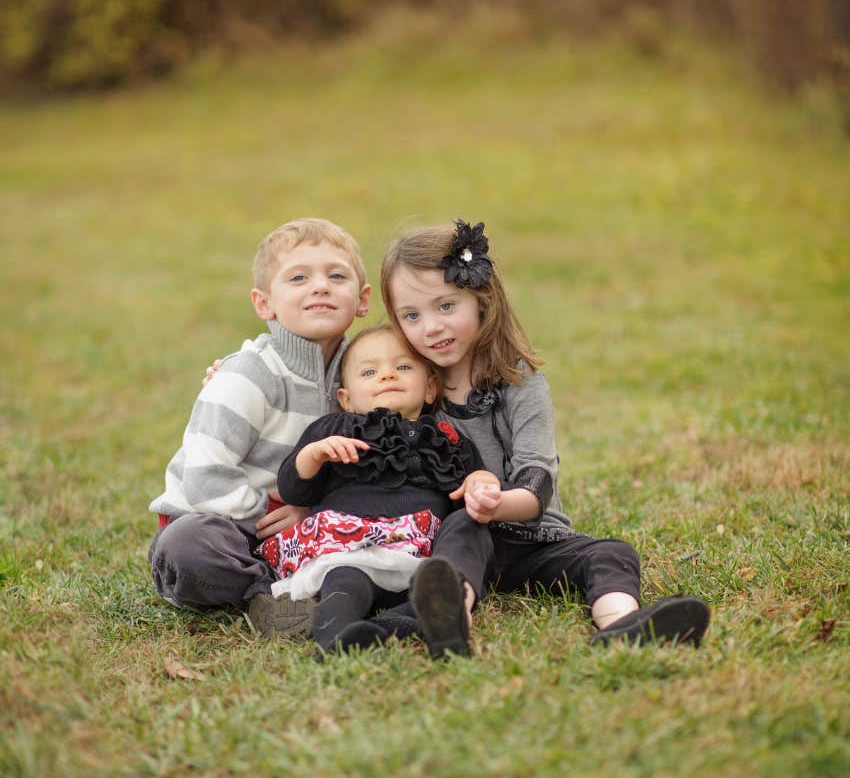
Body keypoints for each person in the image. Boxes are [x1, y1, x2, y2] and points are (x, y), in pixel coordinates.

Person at [380, 219, 711, 647]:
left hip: (536, 540)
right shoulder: (410, 390)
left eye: (446, 306)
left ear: (481, 297)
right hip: (462, 543)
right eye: (411, 315)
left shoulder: (521, 385)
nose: (431, 328)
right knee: (462, 528)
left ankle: (621, 625)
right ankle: (449, 619)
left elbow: (537, 483)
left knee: (612, 553)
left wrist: (495, 503)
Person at [148, 217, 371, 633]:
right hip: (223, 526)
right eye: (298, 277)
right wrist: (272, 517)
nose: (320, 286)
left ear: (361, 300)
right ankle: (266, 595)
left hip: (300, 525)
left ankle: (312, 580)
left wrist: (312, 515)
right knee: (189, 549)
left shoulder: (360, 373)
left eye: (336, 276)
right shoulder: (249, 374)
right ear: (264, 303)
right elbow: (204, 474)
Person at [258, 324, 502, 656]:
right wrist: (312, 455)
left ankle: (425, 617)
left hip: (424, 556)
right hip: (349, 549)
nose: (387, 375)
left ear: (431, 388)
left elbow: (470, 492)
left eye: (402, 367)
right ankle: (338, 640)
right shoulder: (334, 430)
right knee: (343, 588)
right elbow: (293, 489)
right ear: (345, 398)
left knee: (468, 532)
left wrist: (479, 482)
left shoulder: (447, 437)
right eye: (369, 371)